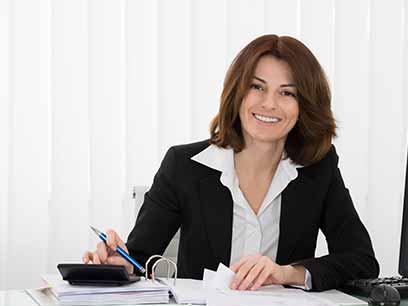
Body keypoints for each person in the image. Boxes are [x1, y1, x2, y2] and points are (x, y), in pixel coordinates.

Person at [82, 34, 379, 292]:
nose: (269, 104)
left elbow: (361, 260)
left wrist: (286, 273)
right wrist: (119, 264)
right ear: (237, 93)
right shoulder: (184, 165)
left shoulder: (319, 168)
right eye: (257, 87)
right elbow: (141, 257)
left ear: (305, 106)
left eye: (287, 93)